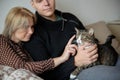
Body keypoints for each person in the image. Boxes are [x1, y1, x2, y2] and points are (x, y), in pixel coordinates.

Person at [23, 0, 98, 80]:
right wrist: (75, 62)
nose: (46, 3)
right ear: (33, 4)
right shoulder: (32, 33)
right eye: (39, 1)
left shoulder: (70, 17)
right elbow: (46, 76)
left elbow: (92, 39)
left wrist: (95, 48)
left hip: (97, 60)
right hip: (74, 74)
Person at [0, 6, 77, 79]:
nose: (31, 31)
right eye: (25, 27)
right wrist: (62, 58)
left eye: (32, 26)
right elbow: (23, 68)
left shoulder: (24, 44)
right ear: (13, 27)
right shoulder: (2, 41)